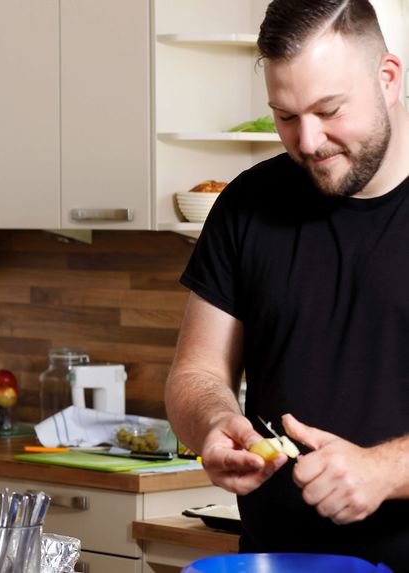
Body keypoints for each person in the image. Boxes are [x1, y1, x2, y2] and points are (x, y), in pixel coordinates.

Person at [165, 0, 409, 566]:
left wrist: (385, 470)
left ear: (388, 78)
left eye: (330, 110)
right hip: (277, 559)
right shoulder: (247, 204)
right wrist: (215, 424)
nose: (308, 141)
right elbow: (197, 373)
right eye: (285, 115)